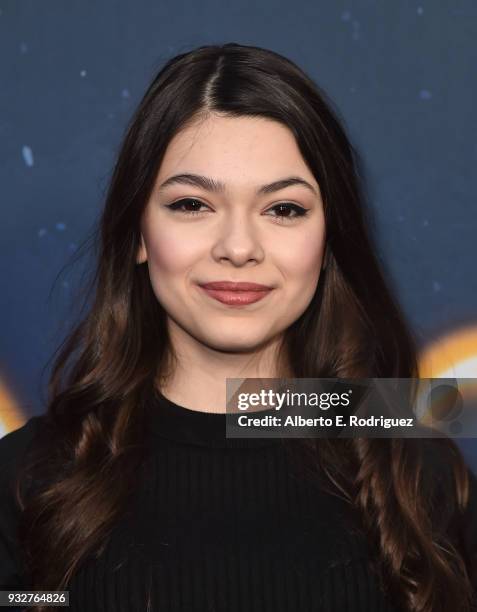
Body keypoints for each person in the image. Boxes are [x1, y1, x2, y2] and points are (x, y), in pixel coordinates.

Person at [1, 42, 476, 612]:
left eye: (284, 209)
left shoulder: (415, 470)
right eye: (192, 204)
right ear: (136, 235)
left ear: (329, 243)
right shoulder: (27, 480)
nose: (238, 248)